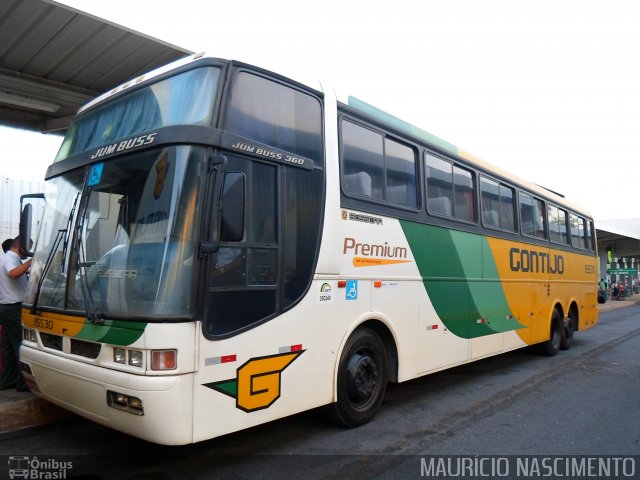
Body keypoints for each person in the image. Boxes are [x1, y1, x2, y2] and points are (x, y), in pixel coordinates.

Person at [0, 237, 32, 391]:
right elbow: (13, 274)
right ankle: (22, 383)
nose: (29, 252)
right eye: (29, 248)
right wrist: (31, 261)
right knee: (20, 345)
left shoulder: (6, 258)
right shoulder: (10, 258)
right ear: (21, 247)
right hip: (13, 308)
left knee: (7, 347)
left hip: (6, 307)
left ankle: (7, 380)